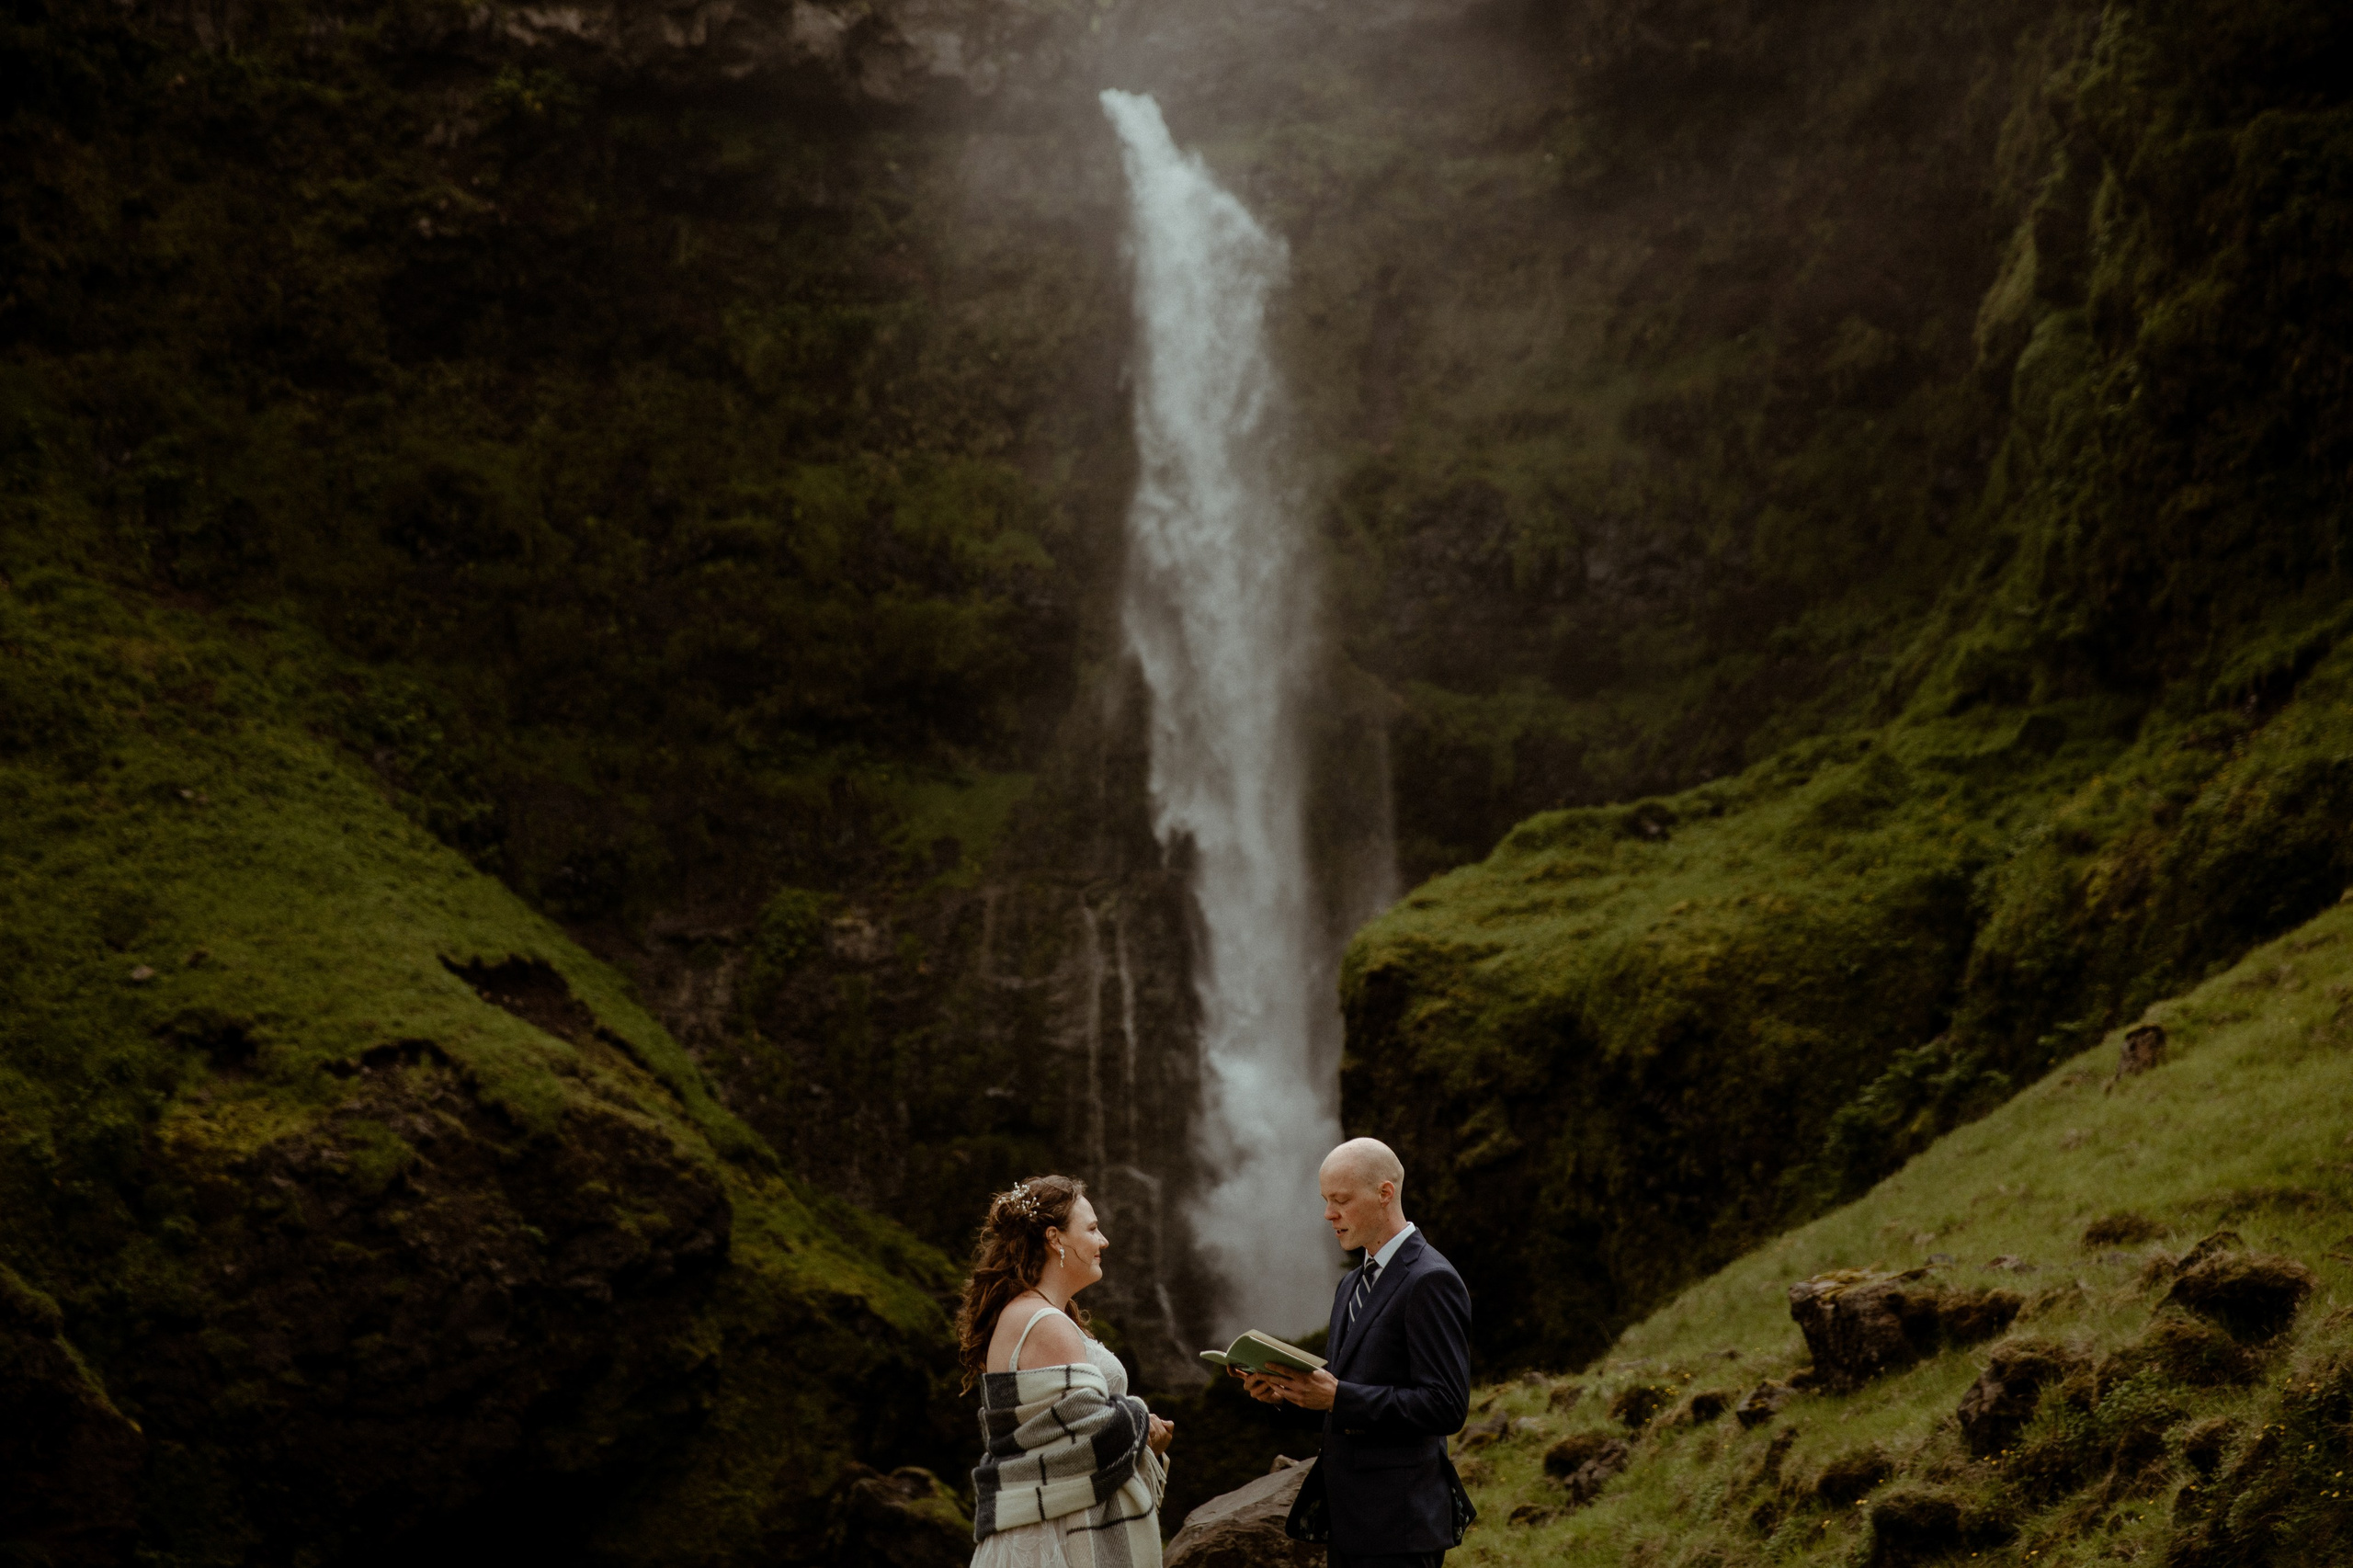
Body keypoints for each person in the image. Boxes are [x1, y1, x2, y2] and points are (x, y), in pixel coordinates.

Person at [1236, 1138, 1472, 1568]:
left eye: (1341, 1200)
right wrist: (1284, 1395)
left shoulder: (1430, 1280)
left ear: (1385, 1193)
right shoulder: (1351, 1284)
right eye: (1326, 1201)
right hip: (1349, 1522)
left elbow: (1446, 1406)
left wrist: (1337, 1396)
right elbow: (1345, 1401)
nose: (1329, 1214)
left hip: (1400, 1528)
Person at [957, 1174, 1176, 1568]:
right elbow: (1087, 1437)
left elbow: (1057, 1438)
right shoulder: (1045, 1323)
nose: (1103, 1241)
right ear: (1055, 1238)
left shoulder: (1031, 1312)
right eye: (1092, 1229)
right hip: (1056, 1540)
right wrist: (1142, 1425)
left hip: (1040, 1527)